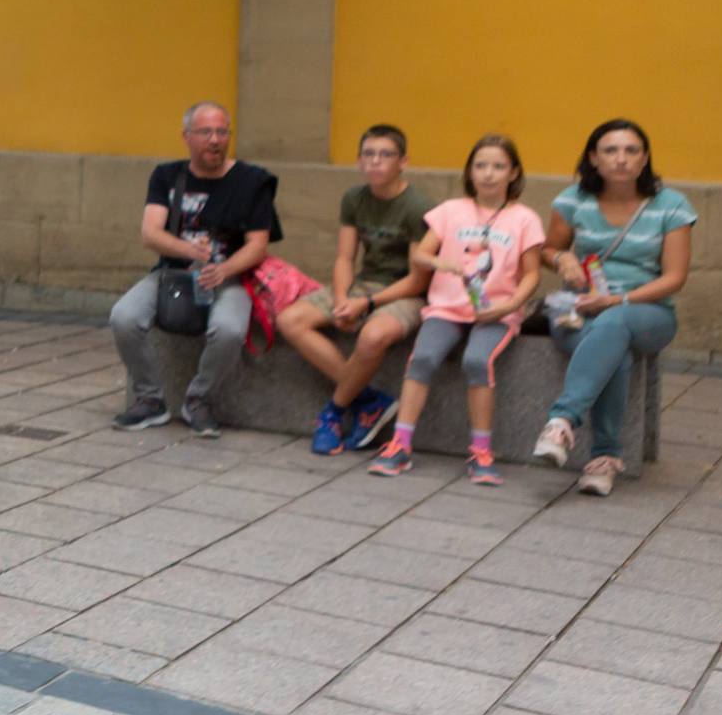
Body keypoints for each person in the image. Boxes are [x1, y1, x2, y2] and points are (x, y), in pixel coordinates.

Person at [532, 118, 696, 495]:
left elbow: (674, 278)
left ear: (644, 159)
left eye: (631, 150)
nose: (620, 159)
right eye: (610, 150)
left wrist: (616, 300)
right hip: (579, 307)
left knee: (616, 320)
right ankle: (604, 459)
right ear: (593, 157)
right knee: (614, 354)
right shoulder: (572, 200)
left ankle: (561, 421)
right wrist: (561, 260)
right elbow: (548, 249)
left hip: (647, 312)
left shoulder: (671, 205)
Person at [367, 136, 544, 484]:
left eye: (498, 166)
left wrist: (509, 306)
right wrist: (442, 263)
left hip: (495, 311)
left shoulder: (524, 218)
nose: (488, 174)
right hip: (447, 307)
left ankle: (481, 452)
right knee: (422, 358)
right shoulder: (450, 210)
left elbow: (533, 273)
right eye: (480, 165)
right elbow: (420, 254)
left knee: (477, 360)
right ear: (470, 171)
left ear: (514, 172)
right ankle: (400, 445)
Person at [109, 102, 282, 438]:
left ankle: (198, 399)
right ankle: (150, 399)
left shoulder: (252, 181)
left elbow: (259, 245)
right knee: (124, 317)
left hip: (230, 276)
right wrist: (190, 251)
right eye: (205, 132)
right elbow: (150, 233)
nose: (215, 140)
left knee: (229, 330)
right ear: (187, 136)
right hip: (171, 274)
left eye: (222, 132)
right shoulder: (167, 176)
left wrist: (223, 268)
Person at [275, 125, 434, 454]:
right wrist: (343, 299)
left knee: (372, 337)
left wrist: (366, 303)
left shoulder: (418, 206)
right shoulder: (354, 198)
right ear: (360, 161)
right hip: (363, 285)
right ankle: (368, 399)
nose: (375, 162)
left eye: (385, 155)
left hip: (405, 293)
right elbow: (345, 258)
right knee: (290, 320)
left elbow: (418, 281)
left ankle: (332, 412)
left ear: (403, 161)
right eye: (368, 154)